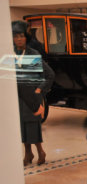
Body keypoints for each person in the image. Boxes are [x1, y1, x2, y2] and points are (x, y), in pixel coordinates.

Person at [12, 20, 54, 166]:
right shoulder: (11, 55)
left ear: (26, 38)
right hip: (18, 98)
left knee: (32, 126)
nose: (19, 39)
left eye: (21, 36)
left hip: (32, 97)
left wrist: (39, 90)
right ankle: (28, 153)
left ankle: (41, 152)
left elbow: (50, 75)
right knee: (22, 126)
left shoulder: (33, 54)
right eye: (16, 36)